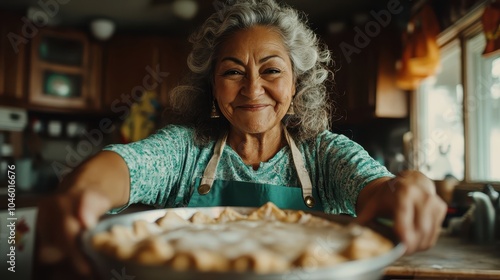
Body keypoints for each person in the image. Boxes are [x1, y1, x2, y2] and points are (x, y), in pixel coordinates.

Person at [36, 0, 447, 277]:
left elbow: (378, 190)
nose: (252, 90)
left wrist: (404, 188)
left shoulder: (326, 155)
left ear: (296, 84)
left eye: (271, 70)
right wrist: (84, 189)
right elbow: (124, 166)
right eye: (233, 72)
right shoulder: (184, 151)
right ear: (212, 87)